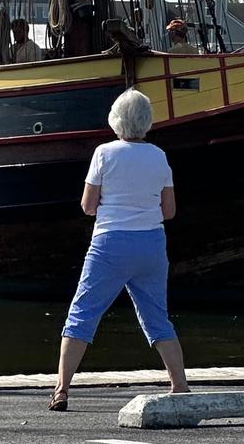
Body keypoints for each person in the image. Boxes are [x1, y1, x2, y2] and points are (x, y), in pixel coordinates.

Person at [50, 88, 188, 410]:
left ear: (116, 120)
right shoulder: (159, 156)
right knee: (157, 318)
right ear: (147, 121)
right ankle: (180, 385)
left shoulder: (104, 153)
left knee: (82, 314)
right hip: (152, 244)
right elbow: (169, 211)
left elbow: (87, 205)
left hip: (110, 243)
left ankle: (61, 389)